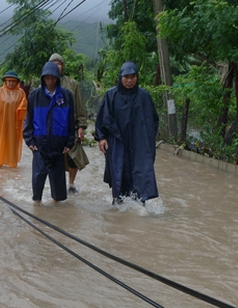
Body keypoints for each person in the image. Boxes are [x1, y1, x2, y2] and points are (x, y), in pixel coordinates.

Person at [94, 61, 159, 204]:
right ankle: (118, 206)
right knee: (119, 173)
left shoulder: (144, 97)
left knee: (140, 173)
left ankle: (140, 205)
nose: (129, 81)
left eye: (132, 77)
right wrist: (102, 138)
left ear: (137, 77)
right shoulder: (111, 95)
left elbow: (153, 120)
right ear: (120, 77)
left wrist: (146, 139)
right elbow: (102, 118)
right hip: (117, 143)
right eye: (126, 77)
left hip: (138, 144)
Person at [23, 62, 76, 204]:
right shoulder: (35, 95)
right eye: (47, 78)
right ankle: (37, 205)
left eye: (53, 78)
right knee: (38, 177)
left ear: (58, 78)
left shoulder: (66, 96)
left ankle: (56, 205)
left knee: (58, 180)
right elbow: (28, 120)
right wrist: (29, 141)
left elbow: (71, 120)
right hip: (40, 143)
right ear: (43, 78)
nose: (50, 81)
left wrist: (70, 142)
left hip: (59, 144)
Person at [48, 53, 89, 194]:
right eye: (53, 63)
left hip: (70, 126)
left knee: (73, 157)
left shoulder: (73, 84)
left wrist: (81, 126)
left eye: (59, 63)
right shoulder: (45, 83)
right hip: (51, 128)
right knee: (55, 157)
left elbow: (79, 106)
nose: (56, 66)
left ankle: (71, 184)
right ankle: (56, 186)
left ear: (63, 66)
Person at [0, 70, 28, 168]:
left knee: (13, 143)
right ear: (5, 81)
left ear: (16, 82)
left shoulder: (21, 93)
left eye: (13, 81)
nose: (11, 83)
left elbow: (23, 108)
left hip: (14, 124)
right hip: (1, 123)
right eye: (9, 81)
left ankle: (12, 165)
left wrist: (23, 123)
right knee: (1, 142)